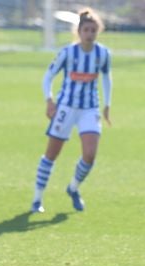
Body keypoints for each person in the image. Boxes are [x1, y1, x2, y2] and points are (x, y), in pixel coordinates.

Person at [31, 7, 112, 213]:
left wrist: (107, 105)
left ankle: (73, 187)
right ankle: (37, 199)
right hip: (66, 108)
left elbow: (106, 78)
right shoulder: (67, 53)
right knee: (51, 154)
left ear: (98, 32)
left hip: (89, 109)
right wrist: (49, 100)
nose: (90, 34)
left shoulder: (102, 54)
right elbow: (48, 76)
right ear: (79, 31)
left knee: (90, 154)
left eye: (93, 30)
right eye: (86, 30)